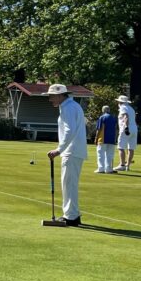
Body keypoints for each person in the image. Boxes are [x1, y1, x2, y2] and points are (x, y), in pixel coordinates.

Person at [46, 84, 87, 226]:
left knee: (68, 184)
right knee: (69, 184)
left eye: (51, 96)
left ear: (60, 95)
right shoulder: (71, 106)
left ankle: (71, 217)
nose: (50, 99)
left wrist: (59, 149)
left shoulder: (68, 108)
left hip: (71, 151)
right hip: (74, 151)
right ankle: (72, 215)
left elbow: (69, 131)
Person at [115, 95, 138, 171]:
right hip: (134, 128)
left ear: (120, 102)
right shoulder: (131, 108)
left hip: (126, 128)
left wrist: (126, 127)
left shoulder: (123, 107)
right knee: (131, 148)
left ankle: (122, 165)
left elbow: (126, 117)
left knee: (121, 147)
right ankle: (127, 166)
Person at [93, 105, 118, 173]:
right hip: (112, 139)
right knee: (110, 155)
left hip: (102, 139)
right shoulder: (113, 118)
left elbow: (99, 129)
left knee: (100, 154)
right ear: (109, 110)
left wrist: (96, 138)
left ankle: (101, 168)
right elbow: (116, 129)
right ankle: (109, 169)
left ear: (103, 110)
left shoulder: (102, 117)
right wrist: (115, 138)